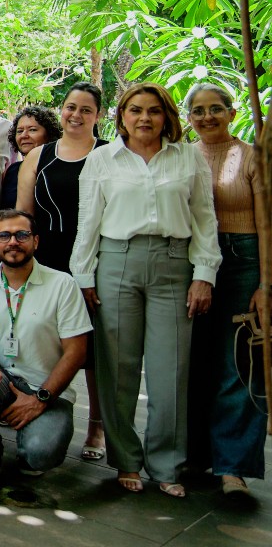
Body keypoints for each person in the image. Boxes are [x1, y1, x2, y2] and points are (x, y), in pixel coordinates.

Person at [71, 82, 221, 498]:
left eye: (153, 111)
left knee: (170, 369)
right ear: (121, 116)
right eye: (135, 110)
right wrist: (83, 276)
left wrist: (204, 273)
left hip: (175, 265)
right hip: (116, 262)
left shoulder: (189, 158)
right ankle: (126, 460)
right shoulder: (102, 159)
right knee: (117, 368)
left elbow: (205, 220)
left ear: (167, 116)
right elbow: (89, 222)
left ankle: (167, 463)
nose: (144, 118)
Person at [0, 210, 91, 490]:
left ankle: (27, 445)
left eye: (22, 235)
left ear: (36, 241)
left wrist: (40, 398)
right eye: (4, 235)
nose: (13, 242)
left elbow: (76, 352)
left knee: (41, 455)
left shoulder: (63, 285)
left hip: (46, 387)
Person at [15, 82, 109, 463]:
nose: (76, 115)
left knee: (95, 349)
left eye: (86, 110)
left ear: (98, 115)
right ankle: (35, 405)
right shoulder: (39, 156)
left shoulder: (110, 155)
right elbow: (23, 216)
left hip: (98, 259)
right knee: (44, 339)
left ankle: (98, 426)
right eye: (71, 107)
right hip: (48, 257)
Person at [184, 83, 268, 498]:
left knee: (237, 360)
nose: (206, 117)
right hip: (190, 262)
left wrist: (266, 284)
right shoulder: (181, 155)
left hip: (244, 259)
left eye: (215, 109)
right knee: (193, 360)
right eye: (197, 111)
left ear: (232, 113)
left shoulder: (253, 156)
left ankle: (232, 467)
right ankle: (194, 455)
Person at [1, 106, 61, 208]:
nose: (24, 135)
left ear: (49, 134)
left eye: (32, 130)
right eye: (19, 131)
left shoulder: (58, 168)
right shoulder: (13, 170)